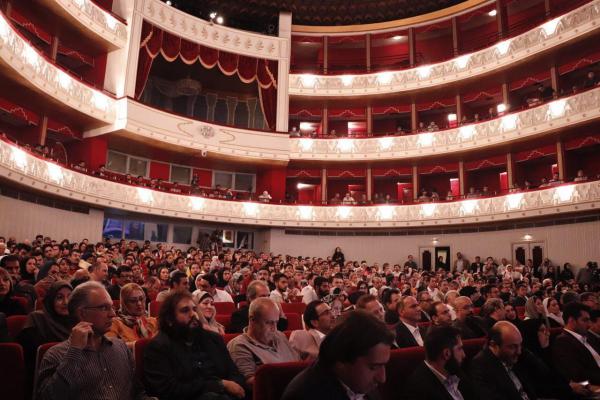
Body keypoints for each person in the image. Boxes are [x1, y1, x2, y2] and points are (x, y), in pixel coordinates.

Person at [36, 281, 150, 400]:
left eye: (112, 307)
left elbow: (137, 393)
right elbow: (48, 397)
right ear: (82, 313)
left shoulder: (121, 347)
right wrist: (74, 352)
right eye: (104, 308)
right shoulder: (56, 355)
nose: (112, 314)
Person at [143, 290, 245, 400]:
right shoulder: (158, 347)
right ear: (169, 320)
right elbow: (168, 390)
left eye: (195, 309)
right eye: (185, 311)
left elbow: (234, 373)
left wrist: (232, 387)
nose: (193, 315)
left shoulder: (213, 338)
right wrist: (219, 385)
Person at [282, 310, 395, 400]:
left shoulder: (361, 380)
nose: (382, 378)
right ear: (341, 359)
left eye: (383, 365)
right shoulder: (304, 395)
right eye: (373, 367)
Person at [227, 298, 299, 386]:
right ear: (252, 320)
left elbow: (298, 363)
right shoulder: (239, 345)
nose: (274, 328)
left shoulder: (280, 336)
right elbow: (250, 383)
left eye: (276, 322)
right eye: (269, 323)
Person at [17, 281, 73, 384]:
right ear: (51, 300)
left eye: (70, 297)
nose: (66, 302)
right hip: (45, 377)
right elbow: (33, 360)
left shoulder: (77, 322)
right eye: (59, 297)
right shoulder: (37, 319)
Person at [469, 321, 537, 399]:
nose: (519, 352)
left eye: (520, 345)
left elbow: (544, 372)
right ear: (493, 345)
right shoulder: (480, 364)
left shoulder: (515, 355)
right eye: (512, 347)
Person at [402, 326, 475, 400]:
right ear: (446, 354)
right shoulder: (419, 389)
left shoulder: (454, 371)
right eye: (460, 349)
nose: (464, 355)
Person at [552, 302, 600, 385]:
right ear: (572, 321)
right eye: (585, 320)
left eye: (589, 320)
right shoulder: (563, 342)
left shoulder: (588, 336)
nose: (589, 324)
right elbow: (578, 375)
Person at [107, 283, 158, 347]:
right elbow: (111, 347)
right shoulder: (114, 323)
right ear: (124, 303)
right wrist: (142, 345)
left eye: (141, 299)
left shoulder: (152, 321)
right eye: (133, 301)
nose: (139, 303)